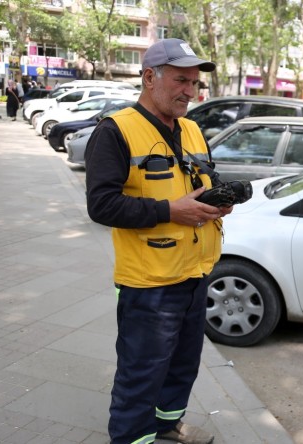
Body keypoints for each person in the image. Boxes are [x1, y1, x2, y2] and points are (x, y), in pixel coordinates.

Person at [84, 38, 226, 444]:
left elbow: (206, 180)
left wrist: (219, 199)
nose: (190, 91)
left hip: (195, 273)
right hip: (149, 285)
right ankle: (131, 437)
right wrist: (169, 211)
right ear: (149, 78)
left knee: (183, 365)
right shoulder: (115, 131)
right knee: (141, 373)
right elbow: (101, 205)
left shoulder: (192, 129)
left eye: (194, 83)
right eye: (181, 80)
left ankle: (166, 425)